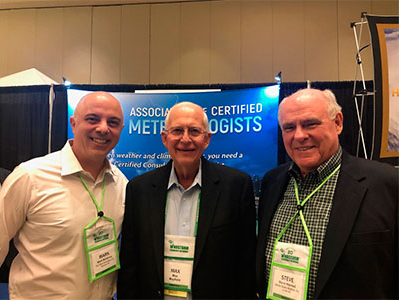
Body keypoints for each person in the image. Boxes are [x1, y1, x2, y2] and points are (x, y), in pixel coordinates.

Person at [256, 88, 398, 299]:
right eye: (289, 127)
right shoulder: (272, 182)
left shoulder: (386, 184)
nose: (299, 135)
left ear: (338, 123)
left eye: (310, 124)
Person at [117, 101, 256, 299]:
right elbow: (130, 263)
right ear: (165, 138)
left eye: (194, 131)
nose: (185, 139)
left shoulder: (236, 187)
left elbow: (245, 263)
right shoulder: (139, 189)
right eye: (177, 130)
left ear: (207, 139)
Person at [0, 91, 128, 299]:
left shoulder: (121, 184)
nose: (103, 128)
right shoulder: (30, 177)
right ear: (74, 123)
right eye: (93, 119)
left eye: (113, 122)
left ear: (121, 130)